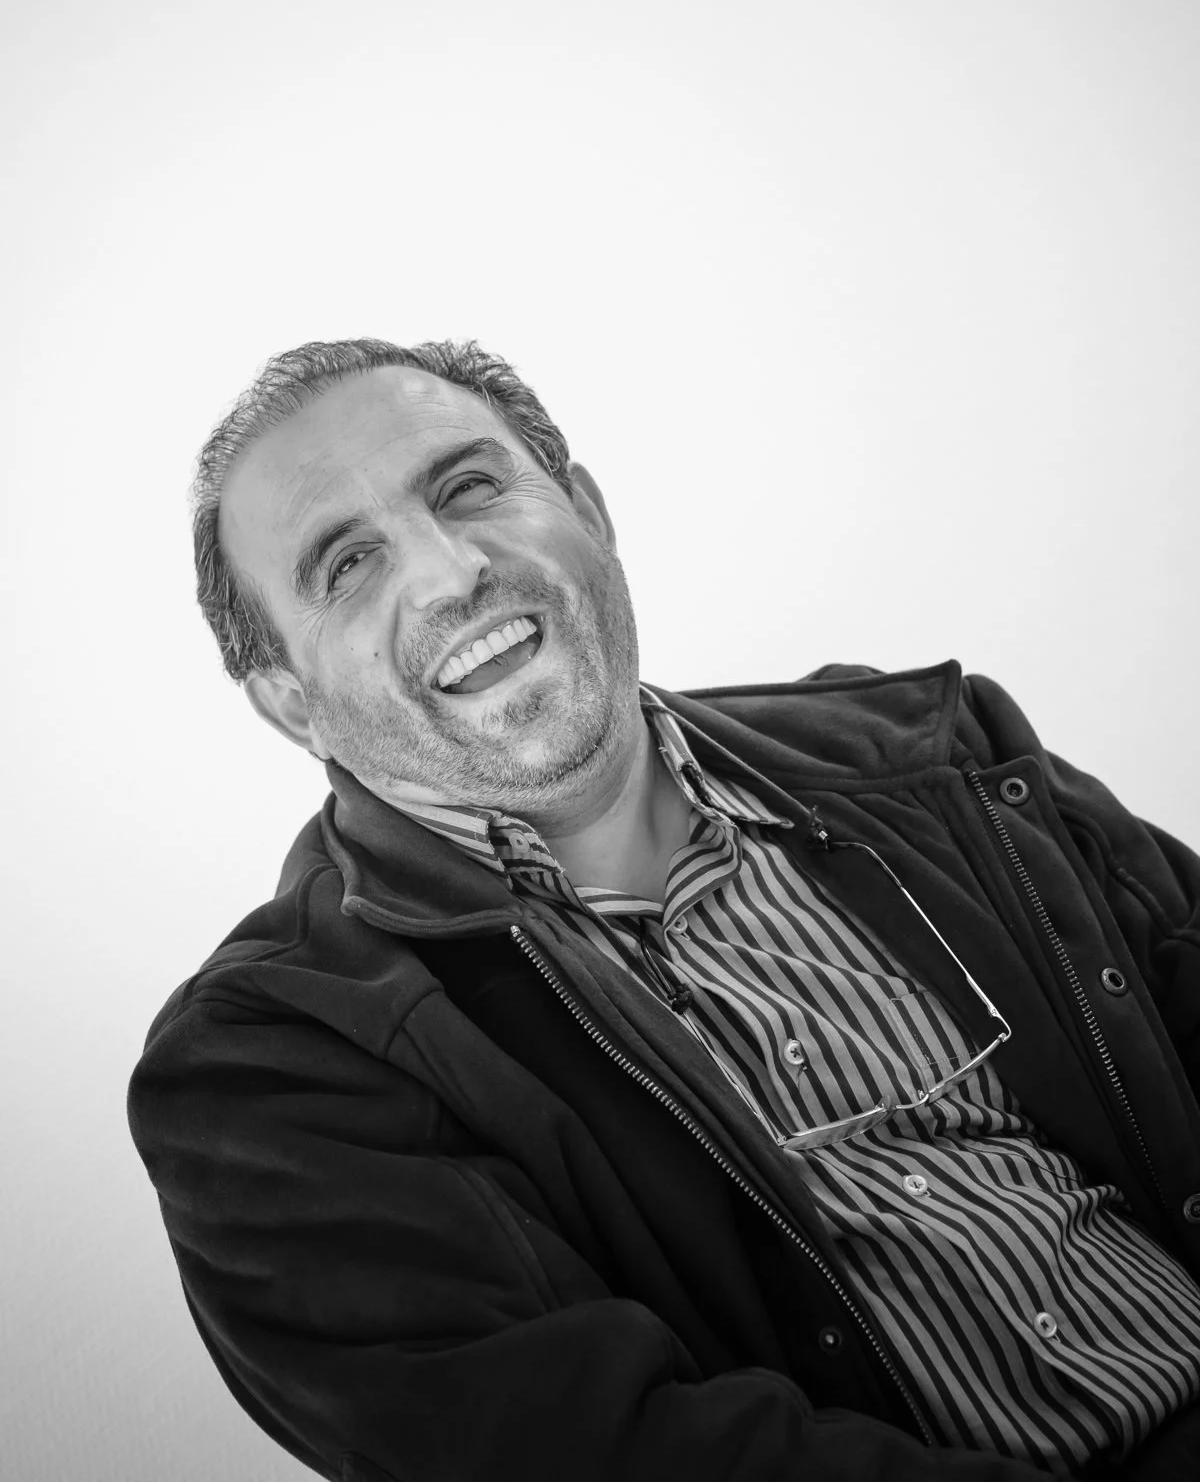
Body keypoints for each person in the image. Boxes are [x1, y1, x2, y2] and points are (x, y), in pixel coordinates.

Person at [128, 338, 1200, 1482]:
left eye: (470, 486)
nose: (448, 576)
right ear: (294, 703)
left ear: (584, 507)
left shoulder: (946, 754)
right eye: (345, 566)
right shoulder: (267, 1069)